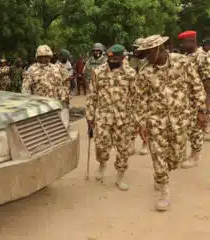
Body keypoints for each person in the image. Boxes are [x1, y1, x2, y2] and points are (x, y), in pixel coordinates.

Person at [133, 35, 206, 211]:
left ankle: (163, 173)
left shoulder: (182, 62)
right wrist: (141, 123)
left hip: (180, 119)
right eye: (143, 54)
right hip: (156, 120)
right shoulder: (145, 72)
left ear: (159, 48)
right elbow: (140, 99)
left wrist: (202, 110)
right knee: (158, 153)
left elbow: (196, 85)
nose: (146, 57)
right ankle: (164, 190)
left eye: (148, 52)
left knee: (175, 157)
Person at [86, 44, 136, 191]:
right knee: (101, 146)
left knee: (123, 149)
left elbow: (135, 96)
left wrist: (136, 119)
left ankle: (120, 176)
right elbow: (92, 94)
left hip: (123, 117)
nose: (113, 61)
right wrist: (90, 116)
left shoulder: (130, 73)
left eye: (116, 59)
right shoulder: (98, 72)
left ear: (123, 57)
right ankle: (102, 164)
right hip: (103, 116)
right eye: (110, 59)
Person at [178, 30, 210, 168]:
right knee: (185, 127)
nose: (182, 45)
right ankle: (184, 153)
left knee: (195, 129)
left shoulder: (202, 57)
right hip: (184, 100)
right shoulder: (187, 56)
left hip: (196, 100)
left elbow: (208, 83)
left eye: (183, 42)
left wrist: (205, 106)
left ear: (191, 41)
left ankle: (195, 156)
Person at [128, 38, 149, 156]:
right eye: (134, 48)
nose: (135, 50)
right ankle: (131, 144)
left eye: (137, 48)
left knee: (144, 122)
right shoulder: (132, 60)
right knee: (132, 121)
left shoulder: (149, 61)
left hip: (145, 96)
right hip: (133, 95)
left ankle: (145, 143)